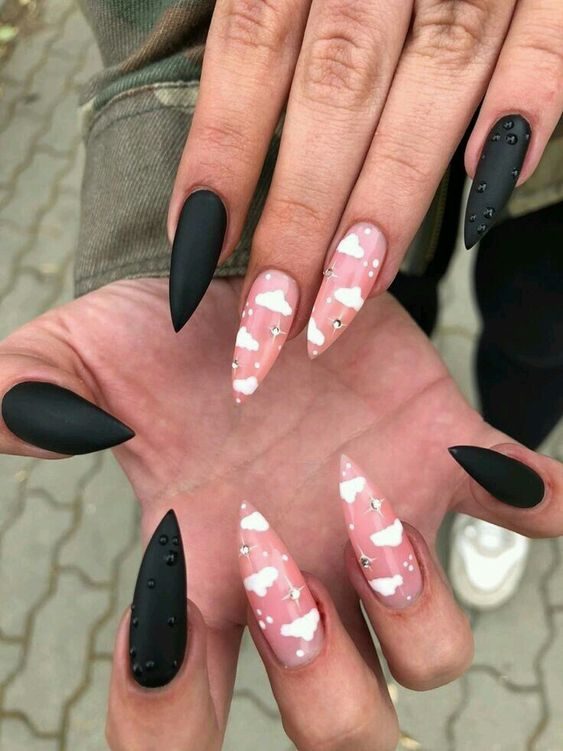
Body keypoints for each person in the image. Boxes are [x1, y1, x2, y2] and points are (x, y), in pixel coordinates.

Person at [1, 0, 562, 747]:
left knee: (539, 329)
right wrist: (226, 204)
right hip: (340, 113)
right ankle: (449, 450)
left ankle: (500, 460)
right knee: (375, 295)